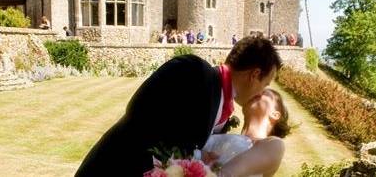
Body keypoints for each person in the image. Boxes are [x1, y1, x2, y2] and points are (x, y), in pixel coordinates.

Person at [75, 37, 282, 176]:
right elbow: (141, 116)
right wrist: (198, 156)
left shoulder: (221, 111)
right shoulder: (193, 70)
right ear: (254, 75)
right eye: (265, 84)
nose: (261, 91)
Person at [203, 88, 290, 177]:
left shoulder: (274, 145)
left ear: (275, 115)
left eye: (263, 93)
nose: (256, 91)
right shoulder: (223, 137)